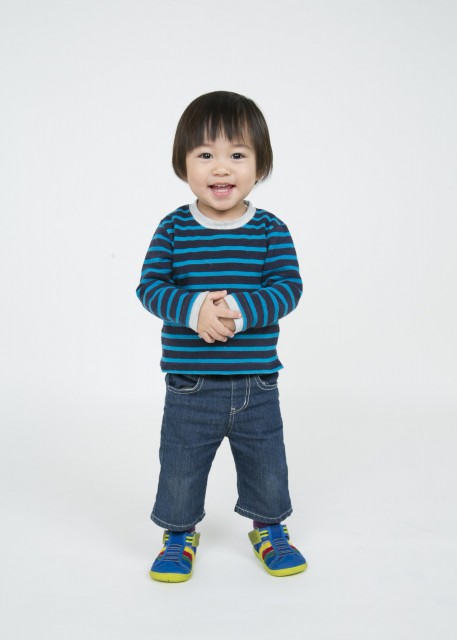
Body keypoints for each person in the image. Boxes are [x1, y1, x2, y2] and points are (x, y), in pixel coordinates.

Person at [136, 90, 307, 582]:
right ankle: (178, 534)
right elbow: (150, 287)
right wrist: (194, 311)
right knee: (181, 465)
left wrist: (238, 310)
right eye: (205, 155)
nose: (221, 168)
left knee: (266, 464)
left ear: (260, 165)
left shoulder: (270, 230)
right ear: (183, 163)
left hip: (257, 382)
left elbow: (288, 288)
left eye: (237, 155)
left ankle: (269, 528)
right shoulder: (173, 229)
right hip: (190, 385)